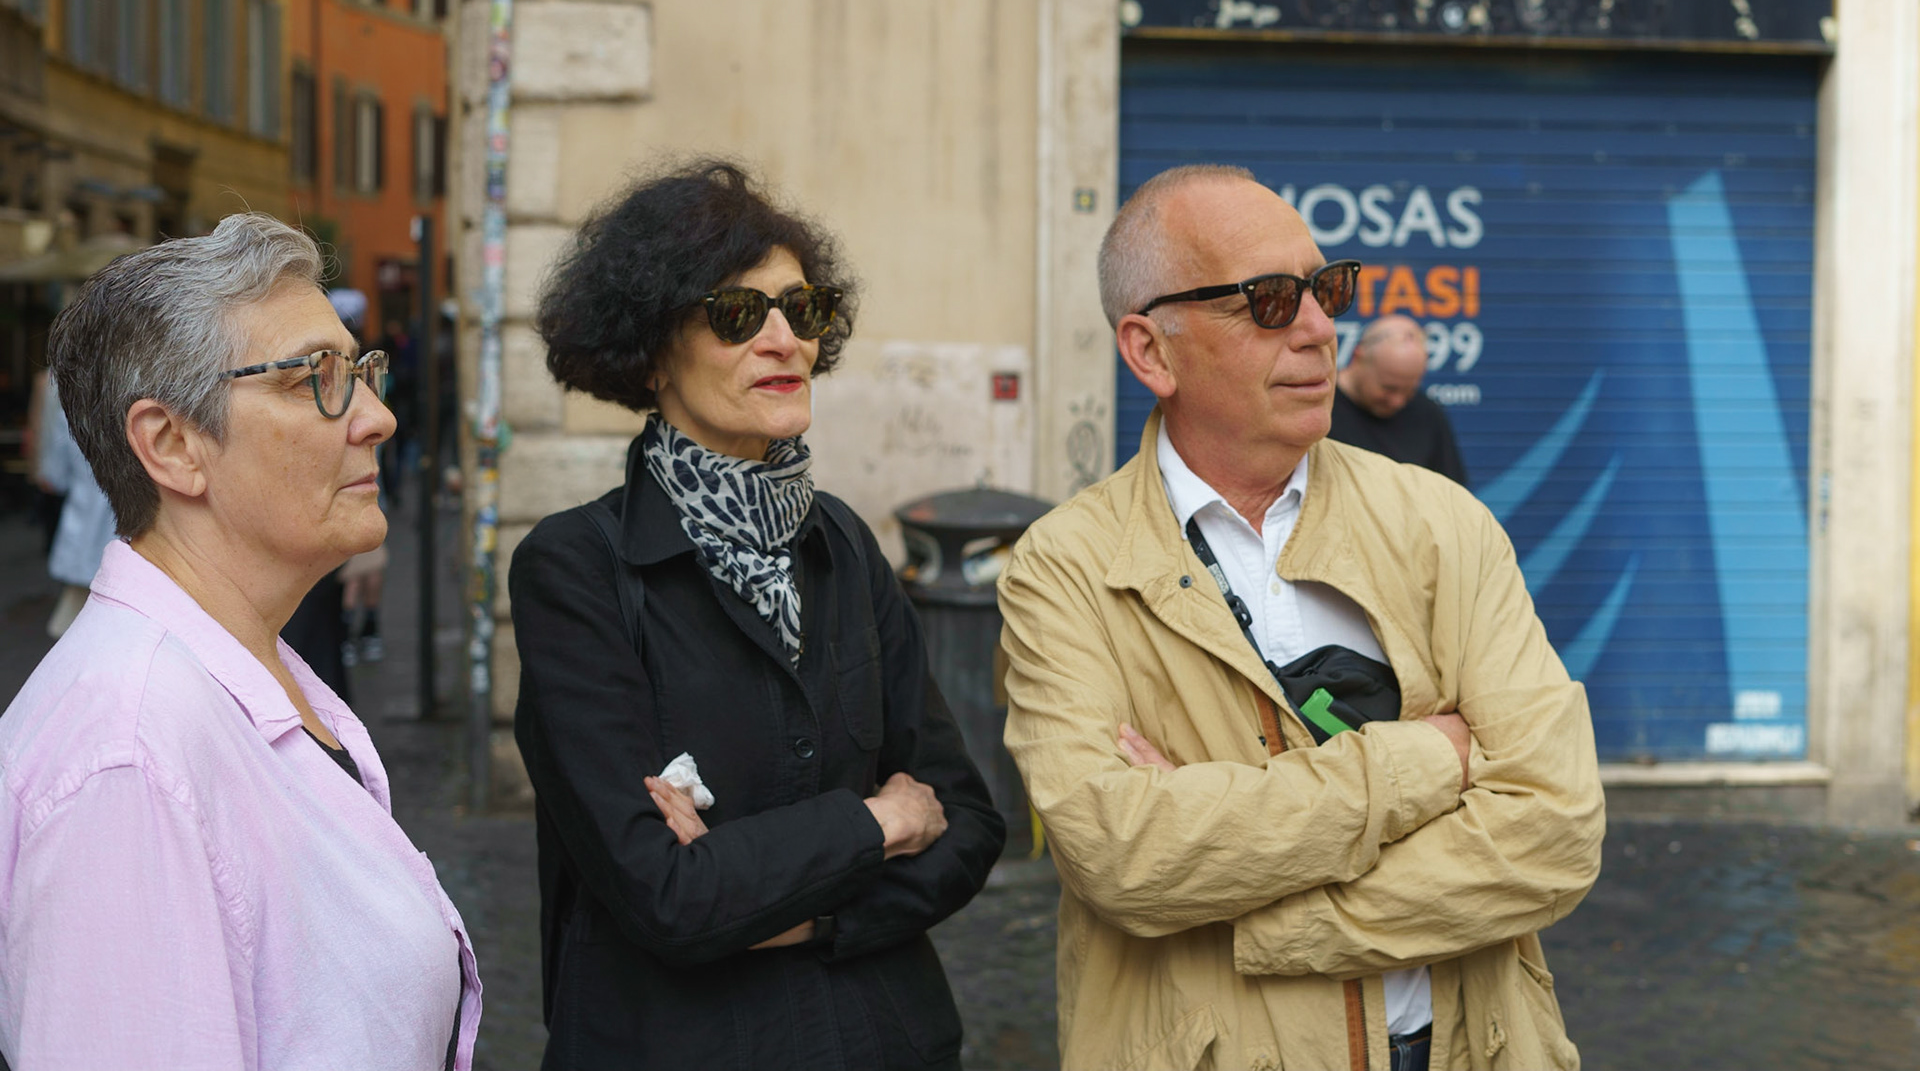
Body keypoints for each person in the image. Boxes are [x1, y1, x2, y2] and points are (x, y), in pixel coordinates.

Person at [997, 164, 1603, 1071]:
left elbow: (1554, 827)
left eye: (1328, 288)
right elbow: (1120, 850)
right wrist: (1429, 759)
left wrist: (1277, 917)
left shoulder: (1442, 522)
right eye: (1270, 301)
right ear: (1150, 350)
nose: (1322, 327)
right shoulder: (1066, 568)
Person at [511, 160, 1005, 1070]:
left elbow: (968, 819)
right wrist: (878, 825)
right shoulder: (575, 569)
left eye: (802, 310)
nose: (783, 339)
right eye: (739, 314)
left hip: (880, 1039)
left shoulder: (847, 545)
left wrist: (802, 912)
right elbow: (666, 896)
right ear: (654, 352)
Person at [0, 213, 482, 1069]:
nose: (377, 417)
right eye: (315, 380)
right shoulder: (130, 760)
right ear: (173, 444)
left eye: (363, 371)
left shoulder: (237, 667)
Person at [1331, 313, 1471, 485]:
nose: (1397, 401)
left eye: (1409, 390)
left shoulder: (1427, 414)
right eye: (1388, 388)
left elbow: (1453, 494)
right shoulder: (1322, 406)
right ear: (1358, 358)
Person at [32, 374, 120, 638]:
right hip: (128, 529)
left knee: (78, 621)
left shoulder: (66, 397)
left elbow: (53, 476)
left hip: (85, 522)